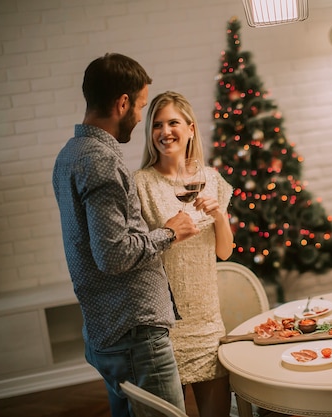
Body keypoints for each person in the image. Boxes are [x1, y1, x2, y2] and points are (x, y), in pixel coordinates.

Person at [52, 54, 199, 417]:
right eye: (140, 106)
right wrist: (169, 232)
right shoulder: (101, 158)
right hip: (134, 334)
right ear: (122, 102)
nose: (139, 116)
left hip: (110, 329)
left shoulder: (69, 154)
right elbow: (113, 254)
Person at [134, 91, 234, 417]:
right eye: (157, 125)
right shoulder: (141, 183)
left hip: (207, 321)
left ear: (190, 128)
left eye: (173, 122)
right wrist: (168, 231)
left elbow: (224, 252)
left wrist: (218, 215)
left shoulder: (213, 180)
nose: (165, 132)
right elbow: (137, 248)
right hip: (164, 324)